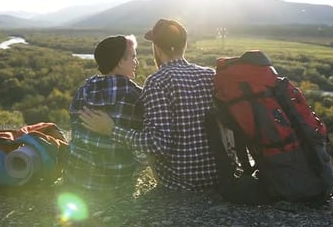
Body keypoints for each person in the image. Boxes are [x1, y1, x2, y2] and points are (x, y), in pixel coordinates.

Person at [80, 19, 218, 191]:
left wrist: (111, 130)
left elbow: (157, 144)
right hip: (217, 175)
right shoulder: (210, 75)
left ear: (157, 49)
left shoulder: (157, 81)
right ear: (185, 45)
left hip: (180, 181)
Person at [64, 34, 144, 198]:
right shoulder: (137, 96)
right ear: (120, 61)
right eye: (133, 57)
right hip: (116, 184)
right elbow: (147, 143)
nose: (137, 62)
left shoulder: (82, 91)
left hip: (76, 179)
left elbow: (76, 132)